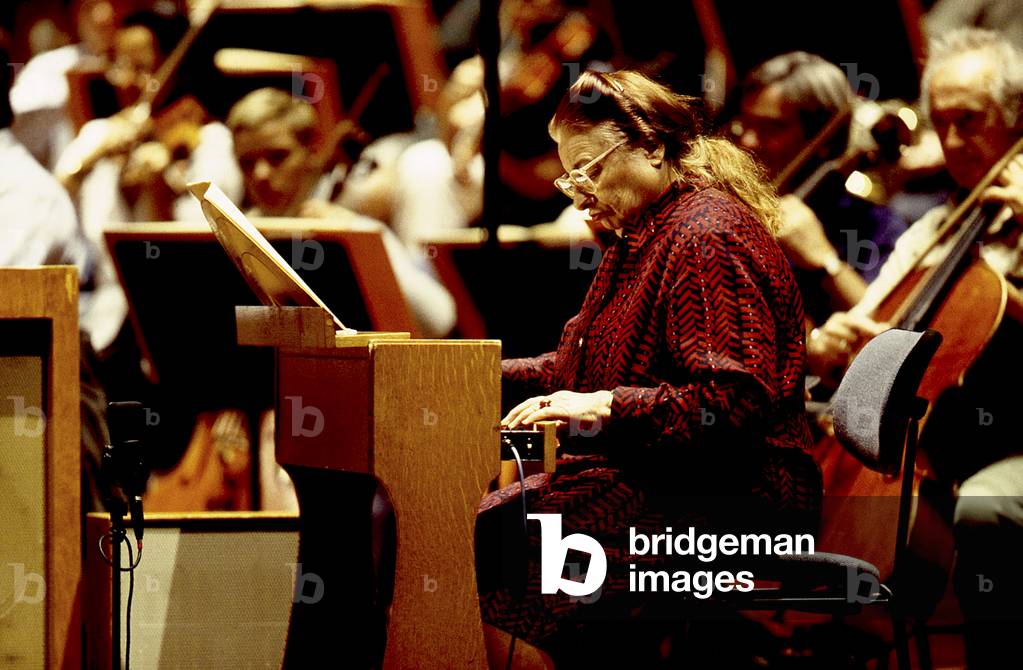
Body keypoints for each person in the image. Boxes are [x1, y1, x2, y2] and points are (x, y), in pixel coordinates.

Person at [475, 69, 822, 665]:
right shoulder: (646, 234)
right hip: (680, 483)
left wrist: (606, 405)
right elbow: (580, 365)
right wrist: (464, 373)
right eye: (569, 176)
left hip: (739, 498)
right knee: (496, 528)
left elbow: (732, 400)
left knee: (513, 541)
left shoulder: (705, 236)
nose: (580, 191)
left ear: (653, 147)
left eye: (592, 168)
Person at [808, 28, 1023, 669]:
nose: (954, 144)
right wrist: (830, 344)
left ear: (1016, 121)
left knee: (986, 507)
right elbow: (876, 335)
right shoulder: (936, 230)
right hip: (939, 445)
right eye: (943, 124)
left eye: (971, 122)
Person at [226, 87, 457, 339]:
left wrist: (362, 235)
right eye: (246, 162)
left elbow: (440, 318)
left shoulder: (350, 222)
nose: (260, 174)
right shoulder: (237, 230)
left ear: (313, 150)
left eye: (277, 156)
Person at [735, 52, 908, 327]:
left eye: (771, 128)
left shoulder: (877, 227)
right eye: (745, 124)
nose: (747, 141)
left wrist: (825, 261)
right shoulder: (729, 211)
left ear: (823, 139)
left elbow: (890, 331)